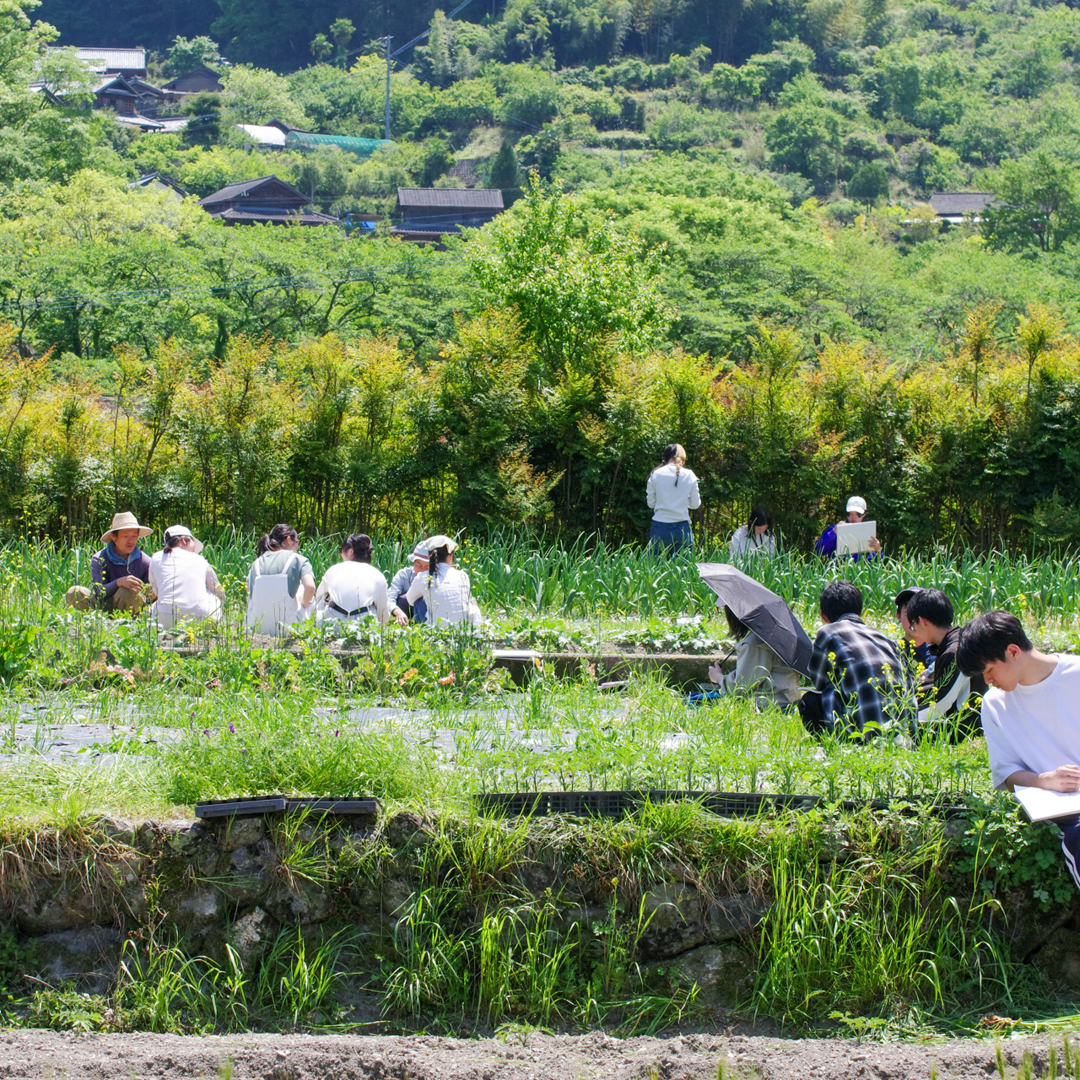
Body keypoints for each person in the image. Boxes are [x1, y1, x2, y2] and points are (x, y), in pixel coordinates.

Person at [957, 611, 1080, 891]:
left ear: (1013, 651)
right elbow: (1007, 772)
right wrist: (1044, 779)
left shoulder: (1076, 675)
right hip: (1067, 810)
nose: (988, 681)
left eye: (988, 671)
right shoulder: (995, 704)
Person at [799, 580, 914, 738]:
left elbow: (819, 682)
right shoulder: (885, 639)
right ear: (860, 613)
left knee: (809, 701)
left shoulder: (828, 633)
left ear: (823, 616)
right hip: (904, 734)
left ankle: (838, 743)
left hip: (863, 736)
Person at [905, 589, 987, 742]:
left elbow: (941, 703)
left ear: (923, 621)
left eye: (913, 626)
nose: (915, 631)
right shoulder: (959, 639)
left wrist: (903, 723)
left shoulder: (954, 651)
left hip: (962, 733)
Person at [708, 605, 802, 707]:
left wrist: (718, 677)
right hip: (789, 699)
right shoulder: (775, 635)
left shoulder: (755, 643)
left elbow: (741, 687)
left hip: (769, 705)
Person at [66, 512, 152, 613]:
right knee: (74, 592)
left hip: (131, 607)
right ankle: (91, 624)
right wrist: (119, 582)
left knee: (127, 591)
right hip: (101, 605)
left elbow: (149, 597)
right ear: (114, 536)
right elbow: (98, 592)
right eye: (125, 536)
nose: (131, 541)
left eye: (134, 536)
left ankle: (128, 625)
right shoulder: (99, 559)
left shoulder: (145, 561)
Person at [148, 525, 225, 630]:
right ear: (184, 540)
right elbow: (218, 591)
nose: (194, 550)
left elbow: (155, 589)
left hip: (163, 620)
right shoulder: (199, 560)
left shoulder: (156, 557)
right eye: (193, 544)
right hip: (199, 619)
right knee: (213, 596)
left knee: (157, 603)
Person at [246, 524, 316, 631]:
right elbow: (310, 587)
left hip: (256, 627)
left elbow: (249, 590)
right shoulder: (298, 559)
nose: (297, 547)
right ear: (289, 540)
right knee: (303, 591)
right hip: (289, 629)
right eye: (297, 542)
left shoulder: (257, 562)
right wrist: (303, 604)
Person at [314, 533, 392, 626]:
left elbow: (318, 598)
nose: (341, 555)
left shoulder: (334, 570)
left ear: (351, 551)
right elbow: (383, 613)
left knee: (324, 598)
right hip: (363, 625)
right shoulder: (378, 575)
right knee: (374, 605)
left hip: (333, 623)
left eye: (342, 551)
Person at [403, 535, 481, 626]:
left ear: (429, 556)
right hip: (464, 629)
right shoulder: (463, 575)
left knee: (418, 600)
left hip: (437, 630)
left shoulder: (422, 577)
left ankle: (423, 626)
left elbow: (409, 600)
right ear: (450, 556)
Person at [646, 443, 701, 553]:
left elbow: (651, 504)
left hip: (660, 526)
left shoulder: (655, 474)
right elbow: (695, 505)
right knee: (683, 568)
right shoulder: (690, 474)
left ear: (666, 457)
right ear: (682, 458)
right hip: (682, 527)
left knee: (655, 566)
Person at [814, 496, 882, 561]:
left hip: (858, 571)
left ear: (864, 514)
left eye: (858, 514)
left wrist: (878, 550)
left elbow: (875, 564)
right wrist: (833, 533)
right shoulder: (836, 528)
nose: (853, 517)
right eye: (850, 513)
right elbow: (818, 551)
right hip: (837, 571)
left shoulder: (867, 532)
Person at [387, 541, 429, 625]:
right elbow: (389, 597)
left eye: (427, 567)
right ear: (413, 563)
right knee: (403, 599)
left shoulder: (437, 577)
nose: (422, 570)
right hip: (406, 612)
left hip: (428, 612)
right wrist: (398, 612)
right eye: (419, 565)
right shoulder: (404, 575)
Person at [894, 587, 934, 672]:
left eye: (920, 613)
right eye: (909, 614)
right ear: (898, 616)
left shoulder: (938, 653)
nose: (915, 621)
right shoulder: (893, 652)